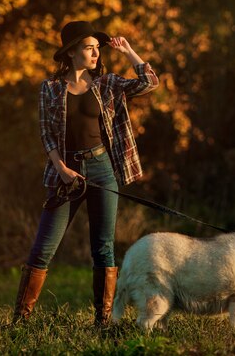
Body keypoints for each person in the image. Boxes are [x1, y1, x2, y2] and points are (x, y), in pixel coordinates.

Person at [12, 20, 159, 325]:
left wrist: (129, 50)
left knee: (103, 247)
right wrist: (61, 168)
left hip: (102, 170)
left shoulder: (106, 84)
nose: (96, 53)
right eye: (89, 47)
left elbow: (149, 82)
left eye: (96, 48)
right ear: (71, 52)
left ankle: (103, 321)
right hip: (66, 173)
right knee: (43, 248)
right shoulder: (50, 90)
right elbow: (47, 134)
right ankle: (20, 321)